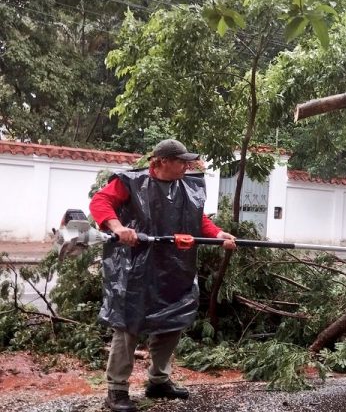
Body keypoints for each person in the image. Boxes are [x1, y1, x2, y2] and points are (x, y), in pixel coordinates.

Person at [89, 139, 236, 412]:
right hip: (135, 268)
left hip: (174, 267)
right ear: (162, 161)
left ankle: (158, 381)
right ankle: (116, 389)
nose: (187, 166)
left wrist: (217, 234)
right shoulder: (131, 182)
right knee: (128, 324)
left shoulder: (188, 187)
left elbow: (198, 219)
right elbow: (101, 201)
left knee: (172, 320)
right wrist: (118, 227)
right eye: (181, 161)